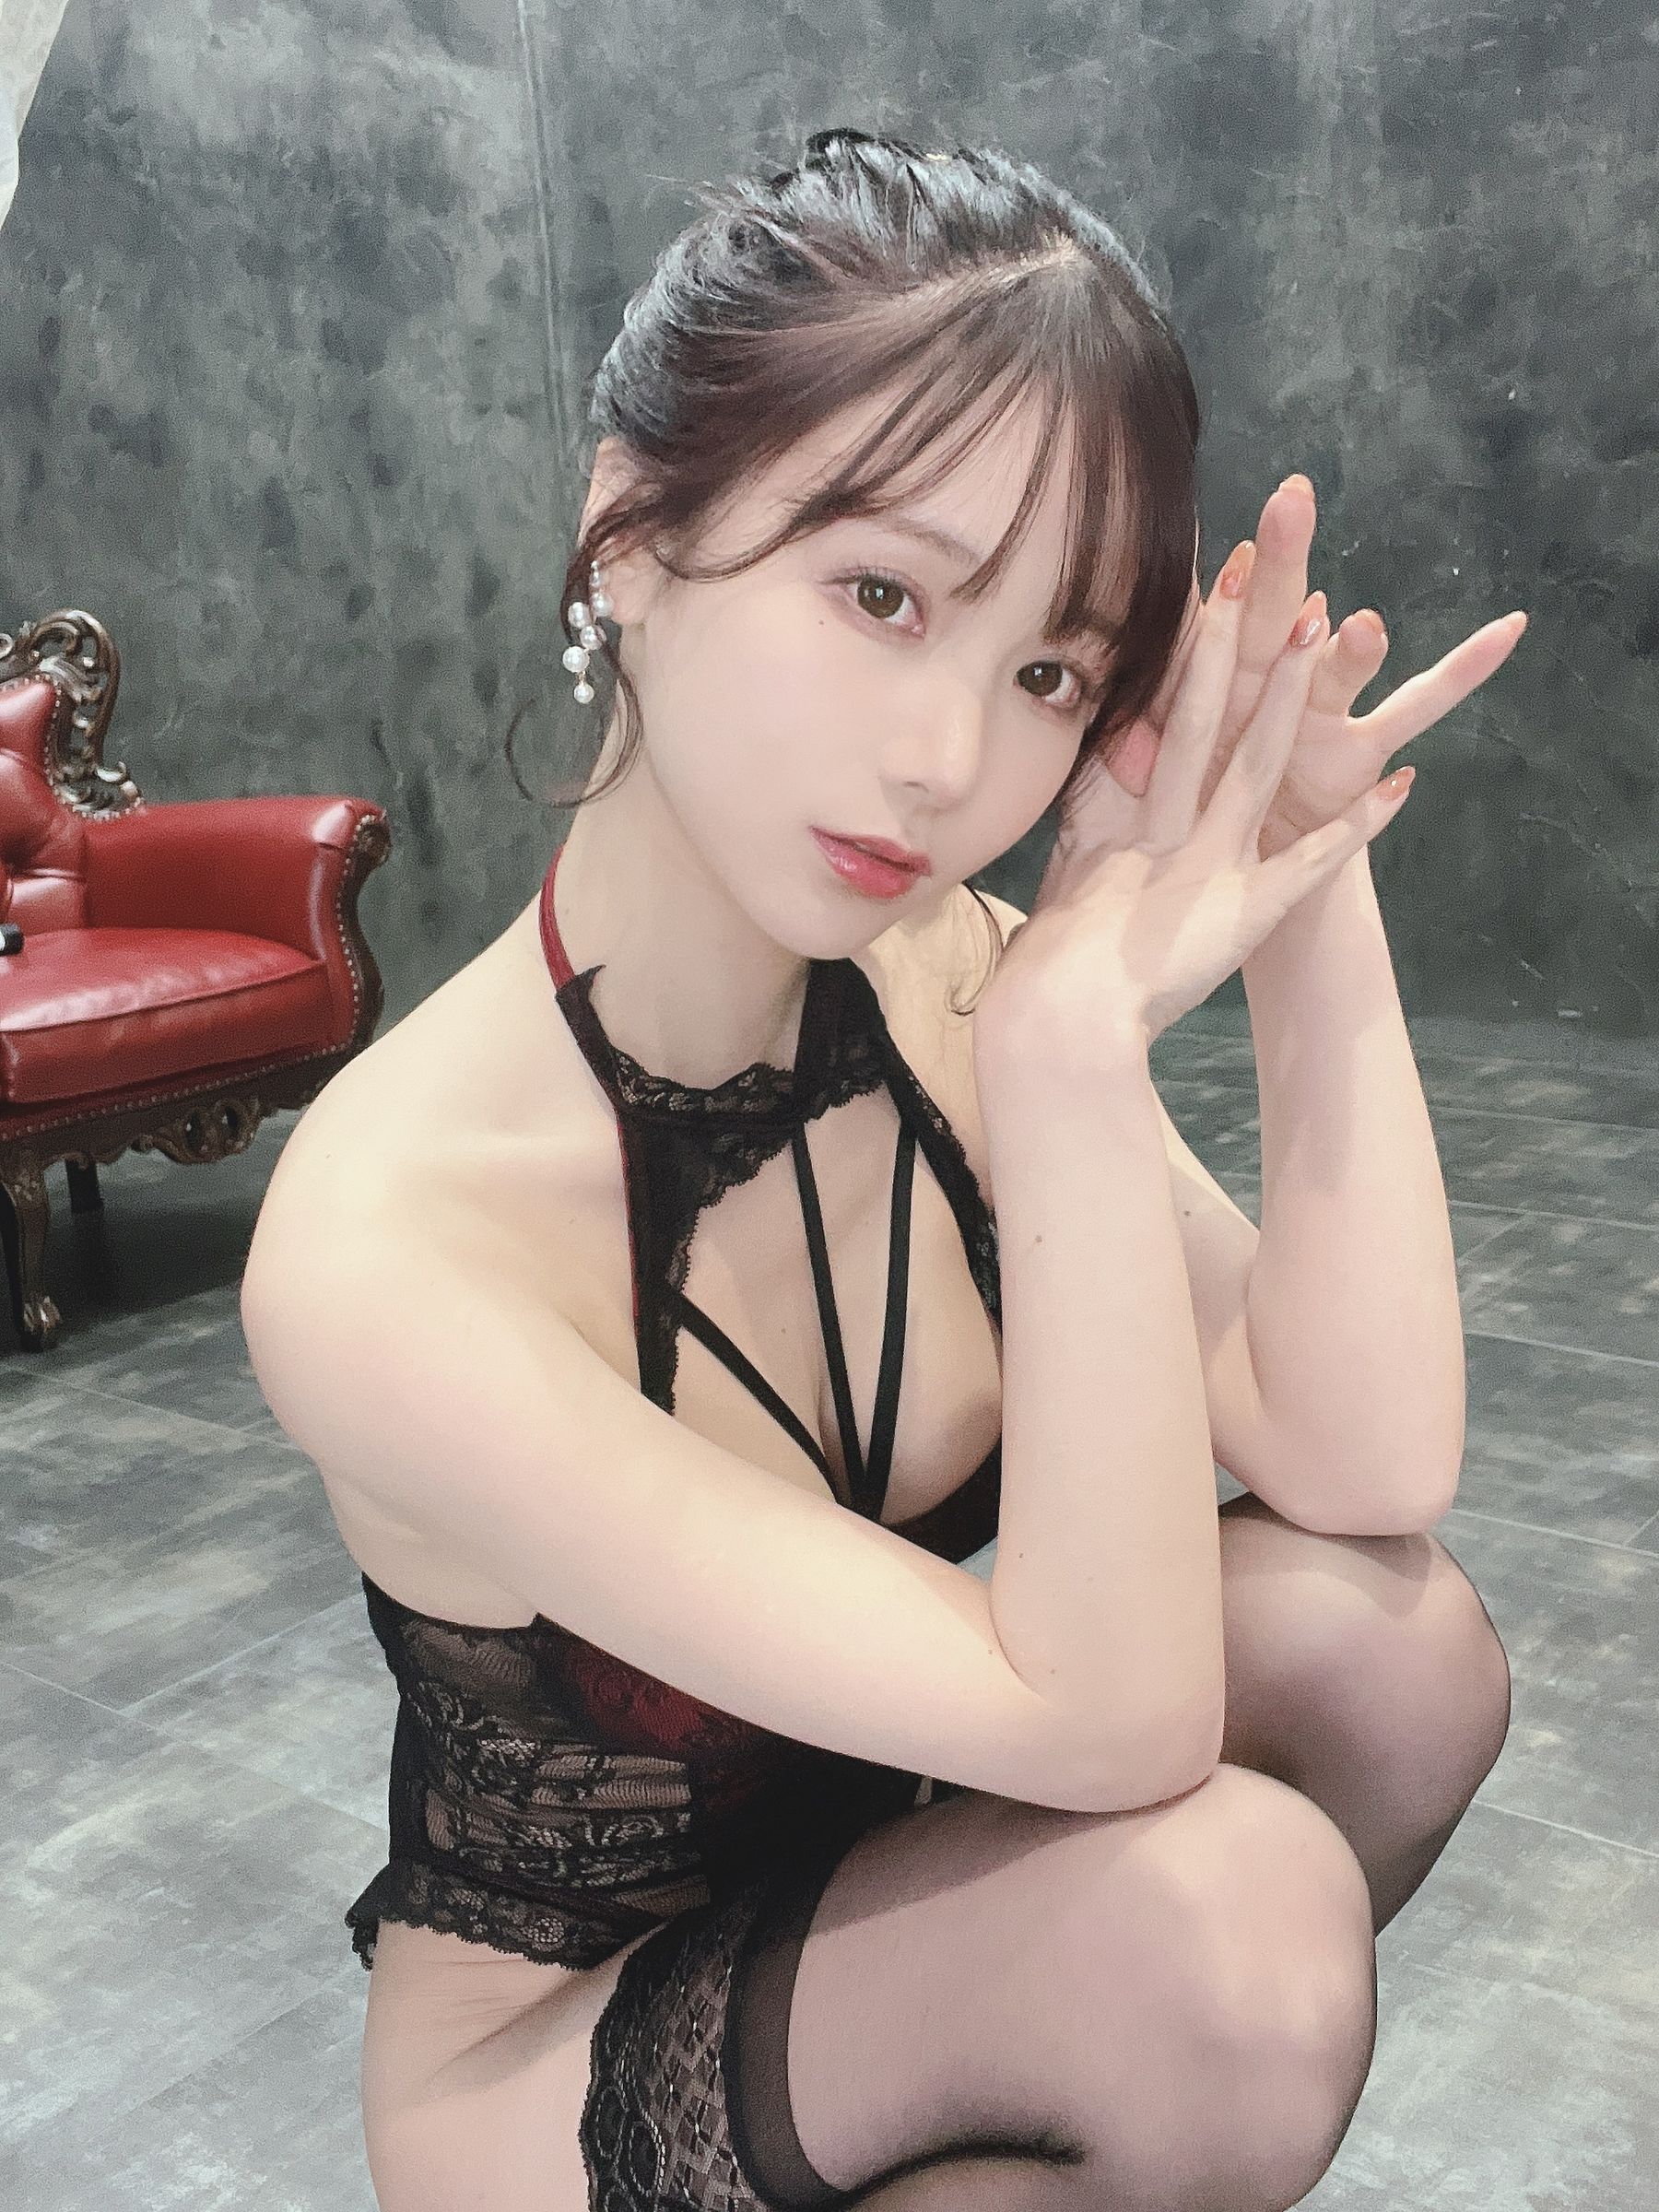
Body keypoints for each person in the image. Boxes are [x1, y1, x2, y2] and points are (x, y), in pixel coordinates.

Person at [241, 127, 1514, 2212]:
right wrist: (1073, 1062)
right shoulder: (393, 1242)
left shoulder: (947, 978)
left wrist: (1302, 864)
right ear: (632, 532)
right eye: (881, 595)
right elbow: (1111, 1730)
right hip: (560, 2077)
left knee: (1391, 1646)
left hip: (886, 1871)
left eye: (1046, 672)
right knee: (1222, 1940)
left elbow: (1365, 1458)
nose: (951, 761)